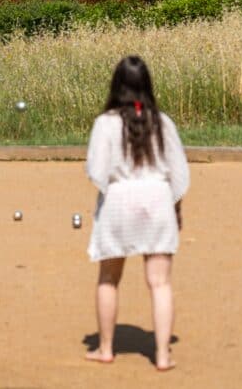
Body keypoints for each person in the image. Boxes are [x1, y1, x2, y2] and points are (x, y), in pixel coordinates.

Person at [84, 56, 190, 371]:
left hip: (118, 200)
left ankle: (105, 348)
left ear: (116, 85)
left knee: (108, 279)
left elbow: (97, 171)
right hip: (157, 199)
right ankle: (162, 354)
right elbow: (178, 173)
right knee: (160, 283)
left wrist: (111, 194)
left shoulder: (105, 123)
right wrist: (176, 209)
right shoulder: (163, 122)